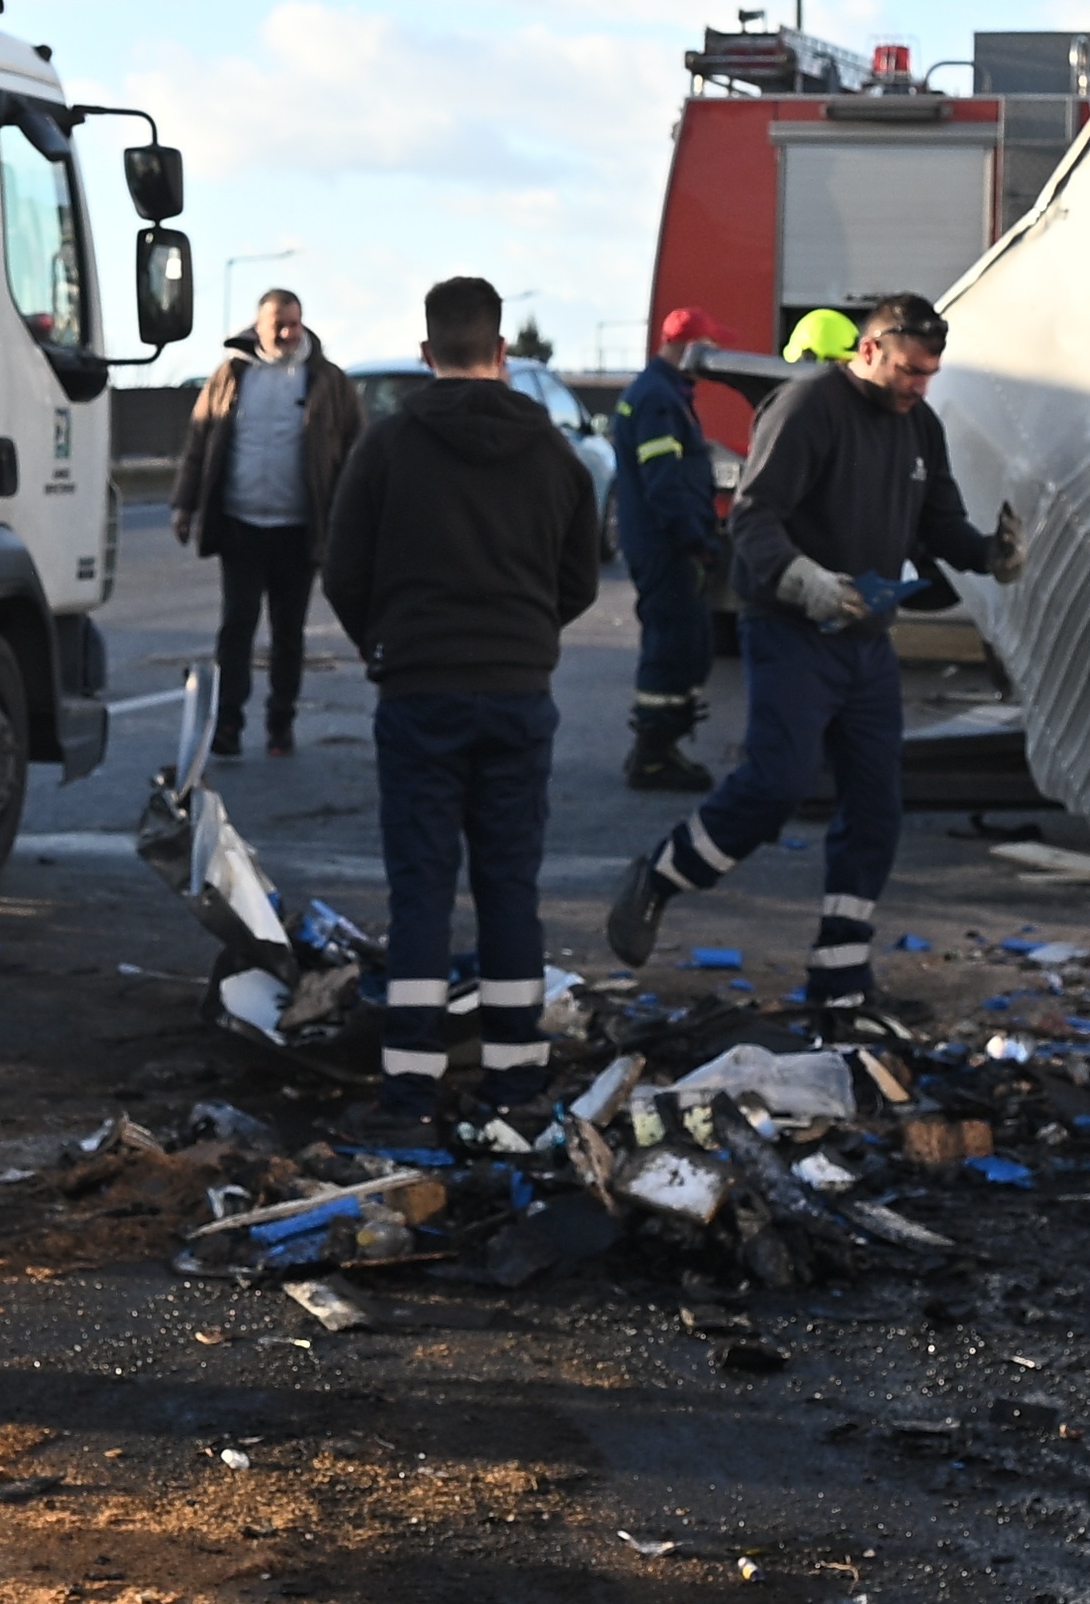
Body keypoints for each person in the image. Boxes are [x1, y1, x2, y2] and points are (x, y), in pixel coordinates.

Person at [600, 291, 1028, 1031]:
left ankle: (840, 979)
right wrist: (805, 580)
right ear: (869, 352)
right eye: (908, 370)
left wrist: (993, 553)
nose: (919, 386)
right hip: (792, 630)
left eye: (930, 373)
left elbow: (941, 525)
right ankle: (659, 877)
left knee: (875, 807)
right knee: (780, 781)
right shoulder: (806, 410)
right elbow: (758, 517)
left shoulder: (919, 425)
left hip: (864, 641)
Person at [321, 275, 605, 1097]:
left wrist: (390, 644)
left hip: (418, 694)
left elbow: (345, 573)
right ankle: (515, 1074)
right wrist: (527, 637)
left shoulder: (386, 447)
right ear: (503, 353)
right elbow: (578, 578)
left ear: (426, 354)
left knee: (421, 887)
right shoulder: (555, 452)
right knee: (509, 882)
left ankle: (412, 1076)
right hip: (518, 694)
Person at [167, 285, 359, 759]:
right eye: (280, 325)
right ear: (259, 327)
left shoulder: (328, 381)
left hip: (299, 529)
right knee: (236, 626)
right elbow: (198, 442)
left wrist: (353, 520)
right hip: (241, 524)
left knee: (288, 632)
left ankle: (280, 723)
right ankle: (228, 724)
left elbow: (357, 451)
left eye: (295, 323)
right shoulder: (230, 376)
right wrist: (184, 505)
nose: (289, 333)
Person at [607, 309, 726, 791]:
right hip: (666, 545)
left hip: (659, 542)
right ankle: (654, 754)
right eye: (709, 348)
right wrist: (696, 538)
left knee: (682, 639)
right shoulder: (659, 398)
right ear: (688, 347)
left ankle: (660, 746)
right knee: (672, 643)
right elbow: (664, 482)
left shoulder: (657, 392)